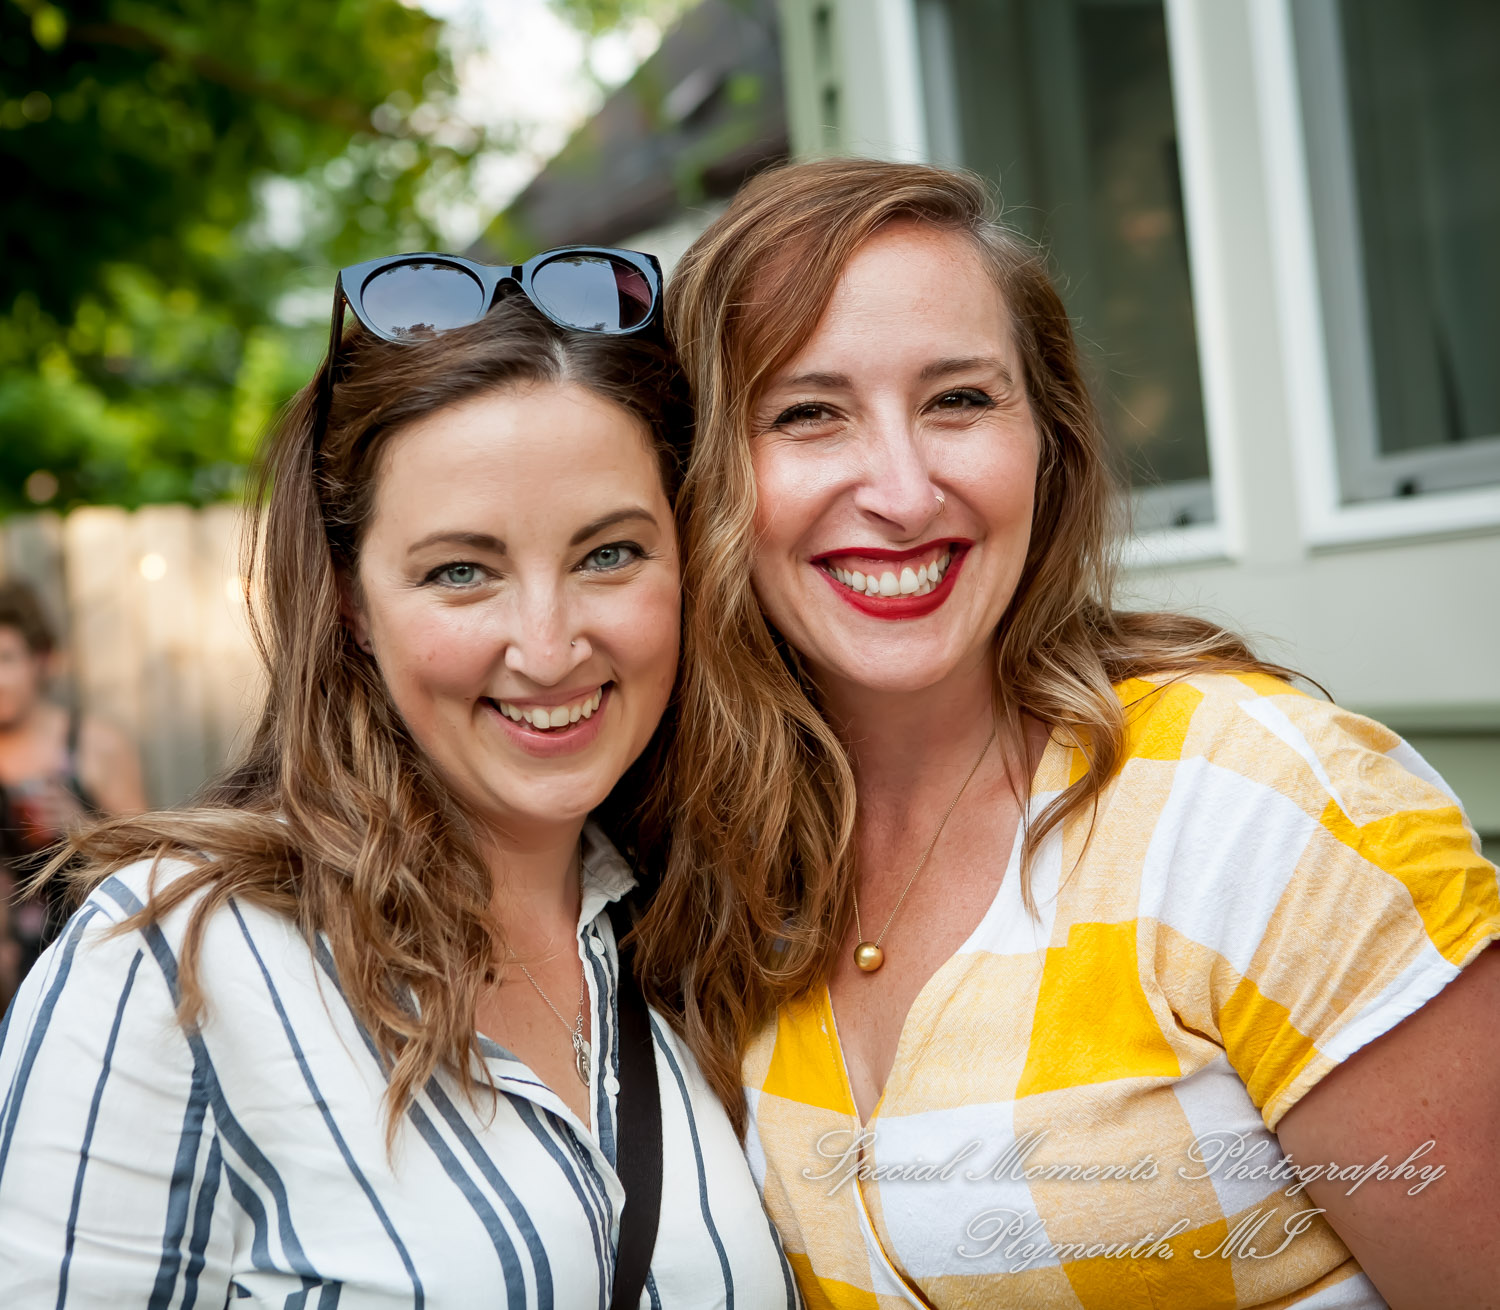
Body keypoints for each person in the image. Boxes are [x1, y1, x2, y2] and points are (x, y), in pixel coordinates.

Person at [632, 158, 1500, 1308]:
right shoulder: (711, 867)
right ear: (697, 477)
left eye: (959, 400)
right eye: (807, 413)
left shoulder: (1263, 805)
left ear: (1050, 441)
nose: (901, 489)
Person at [0, 249, 797, 1308]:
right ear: (349, 604)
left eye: (610, 553)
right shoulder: (170, 961)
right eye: (461, 570)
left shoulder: (711, 940)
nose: (548, 644)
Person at [0, 579, 145, 1008]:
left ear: (42, 660)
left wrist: (80, 826)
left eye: (5, 659)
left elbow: (151, 859)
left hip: (96, 954)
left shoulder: (92, 744)